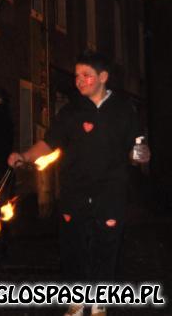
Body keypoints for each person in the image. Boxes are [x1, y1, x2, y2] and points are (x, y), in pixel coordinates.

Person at [8, 51, 150, 316]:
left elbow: (137, 148)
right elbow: (49, 143)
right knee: (73, 247)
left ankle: (99, 302)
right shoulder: (71, 111)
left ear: (103, 77)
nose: (79, 80)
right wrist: (24, 156)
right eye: (76, 75)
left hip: (110, 191)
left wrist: (141, 154)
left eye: (86, 75)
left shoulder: (123, 110)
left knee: (106, 246)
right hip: (75, 191)